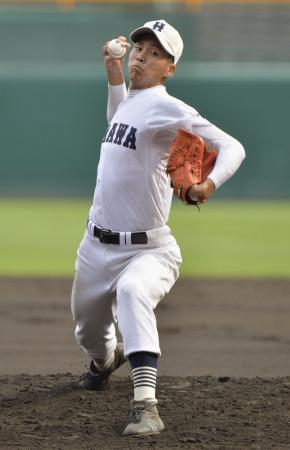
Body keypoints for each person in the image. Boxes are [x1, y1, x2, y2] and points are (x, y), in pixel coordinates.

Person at [71, 19, 245, 437]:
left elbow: (233, 147)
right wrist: (113, 75)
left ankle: (145, 406)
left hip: (148, 249)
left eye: (154, 53)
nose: (142, 56)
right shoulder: (130, 103)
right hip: (95, 247)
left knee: (133, 293)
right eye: (139, 49)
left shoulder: (169, 107)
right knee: (90, 334)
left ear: (169, 69)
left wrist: (207, 183)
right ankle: (105, 361)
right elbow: (118, 114)